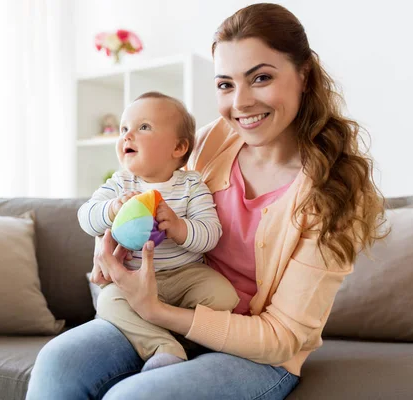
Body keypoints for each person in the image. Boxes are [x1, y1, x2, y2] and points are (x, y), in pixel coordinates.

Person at [25, 3, 386, 400]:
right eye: (225, 85)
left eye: (261, 77)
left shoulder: (337, 190)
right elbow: (147, 186)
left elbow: (283, 336)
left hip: (257, 352)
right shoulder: (216, 138)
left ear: (304, 75)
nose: (241, 103)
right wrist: (106, 235)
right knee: (59, 362)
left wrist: (157, 312)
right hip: (171, 300)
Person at [77, 91, 239, 372]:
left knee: (224, 295)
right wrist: (111, 210)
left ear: (178, 148)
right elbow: (85, 218)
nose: (127, 136)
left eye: (143, 127)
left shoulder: (191, 185)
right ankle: (164, 347)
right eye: (124, 129)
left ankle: (183, 336)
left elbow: (211, 234)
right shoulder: (119, 184)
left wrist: (178, 227)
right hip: (132, 279)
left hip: (186, 275)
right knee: (108, 302)